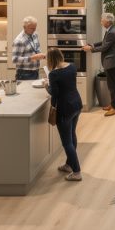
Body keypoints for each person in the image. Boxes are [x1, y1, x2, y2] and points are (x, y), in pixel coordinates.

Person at [45, 47, 83, 182]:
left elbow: (54, 93)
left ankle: (77, 172)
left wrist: (46, 86)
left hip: (64, 109)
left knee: (67, 142)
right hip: (77, 104)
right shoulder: (72, 66)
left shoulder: (53, 74)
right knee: (72, 135)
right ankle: (68, 165)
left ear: (50, 60)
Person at [83, 13, 115, 116]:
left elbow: (104, 47)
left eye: (102, 20)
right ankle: (113, 104)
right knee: (111, 85)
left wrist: (90, 49)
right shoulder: (112, 29)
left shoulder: (112, 32)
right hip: (113, 61)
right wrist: (93, 44)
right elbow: (104, 42)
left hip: (111, 62)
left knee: (112, 86)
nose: (101, 21)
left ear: (108, 21)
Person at [11, 16, 45, 80]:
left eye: (35, 28)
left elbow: (36, 49)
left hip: (36, 70)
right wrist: (32, 58)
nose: (34, 30)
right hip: (24, 73)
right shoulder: (19, 40)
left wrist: (43, 56)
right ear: (24, 27)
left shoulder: (35, 34)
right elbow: (15, 59)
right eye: (32, 28)